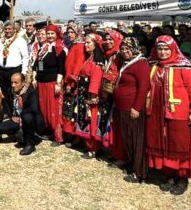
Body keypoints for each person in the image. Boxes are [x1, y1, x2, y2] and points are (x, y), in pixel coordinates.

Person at [145, 36, 191, 195]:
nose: (163, 52)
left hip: (179, 113)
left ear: (173, 49)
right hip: (156, 112)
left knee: (178, 144)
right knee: (162, 142)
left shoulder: (184, 67)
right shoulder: (152, 65)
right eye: (160, 49)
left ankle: (182, 178)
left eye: (166, 49)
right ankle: (169, 175)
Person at [114, 37, 151, 183]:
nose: (124, 51)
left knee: (136, 140)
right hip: (123, 107)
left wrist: (136, 107)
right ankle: (132, 164)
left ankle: (139, 171)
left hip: (132, 108)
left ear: (134, 48)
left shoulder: (141, 63)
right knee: (128, 138)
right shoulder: (127, 63)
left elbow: (143, 87)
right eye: (122, 49)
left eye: (127, 48)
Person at [64, 34, 105, 159]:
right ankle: (87, 144)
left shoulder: (97, 62)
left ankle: (93, 148)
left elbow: (95, 80)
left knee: (91, 119)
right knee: (83, 118)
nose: (86, 45)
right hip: (82, 91)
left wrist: (93, 95)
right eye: (85, 42)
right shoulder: (89, 59)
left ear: (96, 44)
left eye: (88, 43)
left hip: (89, 95)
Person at [0, 72, 43, 155]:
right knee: (0, 128)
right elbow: (6, 103)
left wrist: (21, 116)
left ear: (23, 83)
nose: (13, 85)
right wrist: (12, 116)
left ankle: (30, 144)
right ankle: (20, 132)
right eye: (12, 82)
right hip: (17, 118)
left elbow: (34, 108)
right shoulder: (10, 91)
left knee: (27, 117)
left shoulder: (31, 91)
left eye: (16, 82)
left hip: (31, 119)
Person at [33, 24, 66, 144]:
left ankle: (58, 137)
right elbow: (37, 65)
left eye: (52, 34)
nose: (50, 36)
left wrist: (58, 84)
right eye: (48, 34)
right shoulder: (44, 48)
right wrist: (34, 78)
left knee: (54, 110)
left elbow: (61, 69)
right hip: (41, 83)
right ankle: (49, 132)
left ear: (57, 35)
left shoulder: (60, 49)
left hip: (52, 83)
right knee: (45, 110)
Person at [98, 30, 125, 160]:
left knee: (114, 122)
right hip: (107, 94)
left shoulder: (119, 55)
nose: (107, 42)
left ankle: (117, 152)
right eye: (106, 39)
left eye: (111, 40)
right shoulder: (107, 54)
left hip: (115, 95)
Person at [0, 20, 29, 102]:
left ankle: (15, 112)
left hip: (15, 70)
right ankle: (7, 112)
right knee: (4, 92)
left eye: (9, 29)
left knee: (15, 92)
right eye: (6, 29)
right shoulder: (1, 40)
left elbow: (25, 57)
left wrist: (23, 72)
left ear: (14, 29)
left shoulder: (20, 40)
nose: (7, 31)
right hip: (2, 71)